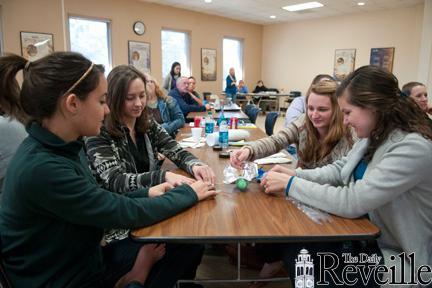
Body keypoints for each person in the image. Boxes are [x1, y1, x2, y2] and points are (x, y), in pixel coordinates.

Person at [0, 52, 217, 288]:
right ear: (72, 103)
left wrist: (147, 192)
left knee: (185, 244)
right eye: (102, 101)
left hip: (83, 263)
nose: (106, 111)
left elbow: (98, 200)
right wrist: (189, 193)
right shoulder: (43, 168)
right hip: (71, 278)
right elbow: (120, 210)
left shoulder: (64, 148)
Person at [261, 65, 432, 286]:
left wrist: (291, 184)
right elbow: (340, 168)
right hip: (366, 237)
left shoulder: (412, 148)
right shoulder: (374, 134)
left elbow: (353, 201)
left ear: (374, 108)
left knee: (313, 268)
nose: (344, 121)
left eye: (348, 112)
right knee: (296, 247)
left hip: (396, 255)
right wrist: (297, 174)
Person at [231, 79, 354, 170]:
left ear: (337, 110)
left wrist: (293, 177)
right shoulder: (303, 122)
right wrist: (249, 149)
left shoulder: (350, 137)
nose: (314, 115)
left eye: (322, 109)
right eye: (310, 108)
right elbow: (277, 140)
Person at [144, 72, 185, 137]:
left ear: (155, 84)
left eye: (149, 81)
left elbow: (181, 120)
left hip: (167, 138)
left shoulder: (168, 101)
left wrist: (164, 128)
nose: (147, 84)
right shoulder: (140, 105)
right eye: (144, 82)